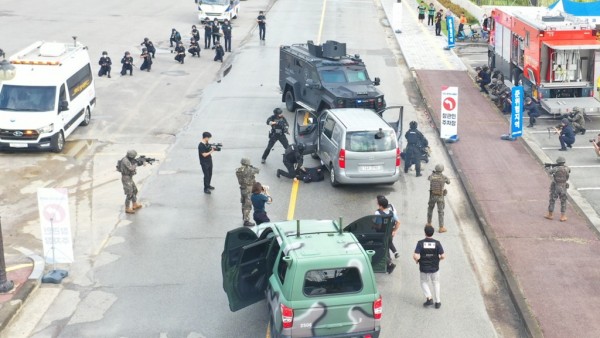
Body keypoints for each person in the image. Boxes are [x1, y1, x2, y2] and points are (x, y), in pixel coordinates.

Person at [413, 225, 445, 309]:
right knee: (436, 283)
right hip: (435, 268)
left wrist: (416, 260)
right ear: (433, 233)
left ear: (425, 232)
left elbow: (416, 255)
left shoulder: (420, 243)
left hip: (424, 268)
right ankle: (438, 302)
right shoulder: (437, 243)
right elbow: (443, 255)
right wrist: (439, 259)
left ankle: (429, 297)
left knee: (423, 282)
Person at [374, 195, 400, 274]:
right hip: (389, 235)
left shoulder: (378, 213)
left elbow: (379, 226)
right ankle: (388, 266)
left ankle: (390, 264)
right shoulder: (391, 213)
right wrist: (394, 230)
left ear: (381, 206)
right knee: (387, 248)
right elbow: (398, 222)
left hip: (381, 235)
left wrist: (373, 225)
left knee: (380, 249)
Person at [544, 156, 570, 222]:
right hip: (564, 186)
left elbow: (549, 172)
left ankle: (550, 214)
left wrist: (547, 167)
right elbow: (568, 171)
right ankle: (562, 216)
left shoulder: (555, 169)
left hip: (556, 186)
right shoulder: (567, 168)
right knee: (563, 201)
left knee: (552, 200)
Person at [119, 150, 144, 214]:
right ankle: (127, 208)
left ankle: (134, 204)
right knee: (129, 193)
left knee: (134, 190)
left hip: (129, 177)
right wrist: (136, 164)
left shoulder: (128, 159)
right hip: (126, 178)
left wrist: (139, 163)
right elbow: (131, 168)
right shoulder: (125, 161)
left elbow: (133, 164)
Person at [427, 164, 450, 233]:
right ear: (442, 170)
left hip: (432, 196)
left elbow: (429, 178)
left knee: (430, 209)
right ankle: (441, 227)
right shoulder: (444, 177)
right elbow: (448, 182)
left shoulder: (432, 176)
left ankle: (429, 223)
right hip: (440, 197)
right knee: (440, 212)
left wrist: (433, 173)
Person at [236, 158, 259, 226]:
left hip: (242, 188)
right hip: (248, 188)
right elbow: (257, 170)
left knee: (243, 203)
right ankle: (246, 220)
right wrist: (251, 166)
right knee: (248, 205)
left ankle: (244, 216)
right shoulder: (249, 170)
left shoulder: (238, 170)